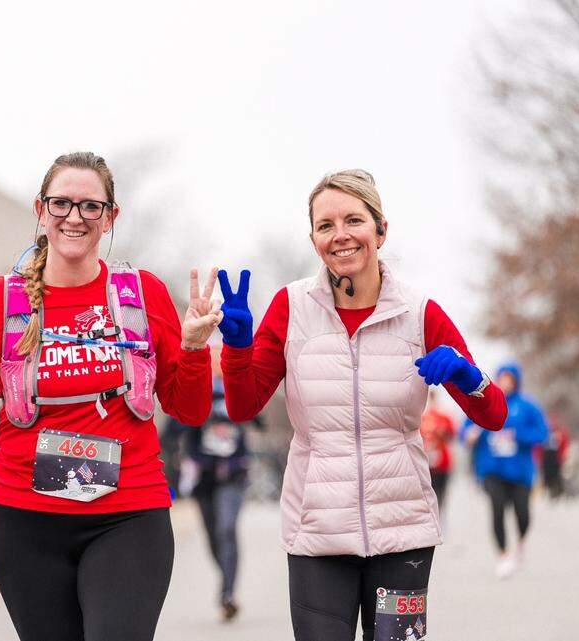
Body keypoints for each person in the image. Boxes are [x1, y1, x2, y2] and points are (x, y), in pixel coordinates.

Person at [0, 151, 218, 641]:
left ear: (111, 217)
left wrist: (196, 350)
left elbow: (190, 408)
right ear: (40, 210)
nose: (75, 217)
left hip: (128, 516)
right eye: (62, 204)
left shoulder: (142, 294)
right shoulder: (0, 301)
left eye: (91, 206)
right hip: (25, 521)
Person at [219, 169, 507, 641]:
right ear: (313, 238)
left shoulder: (420, 312)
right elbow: (243, 406)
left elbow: (493, 415)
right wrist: (237, 349)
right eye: (325, 225)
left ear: (381, 229)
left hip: (403, 534)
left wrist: (466, 374)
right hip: (317, 532)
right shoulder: (291, 307)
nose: (340, 236)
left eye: (353, 220)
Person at [166, 350, 257, 623]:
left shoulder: (236, 391)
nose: (218, 368)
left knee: (226, 529)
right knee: (213, 537)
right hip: (203, 479)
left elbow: (258, 415)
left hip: (232, 476)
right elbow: (169, 433)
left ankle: (228, 593)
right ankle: (226, 580)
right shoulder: (195, 393)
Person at [462, 363, 548, 579]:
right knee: (497, 509)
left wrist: (517, 435)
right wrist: (469, 435)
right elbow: (464, 431)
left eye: (510, 379)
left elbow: (542, 434)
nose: (506, 383)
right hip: (492, 470)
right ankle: (503, 555)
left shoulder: (528, 406)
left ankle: (520, 543)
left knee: (522, 514)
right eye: (502, 378)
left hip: (520, 472)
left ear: (516, 381)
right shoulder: (485, 402)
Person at [419, 390, 456, 513]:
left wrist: (443, 432)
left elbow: (452, 436)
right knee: (426, 497)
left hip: (442, 464)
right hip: (425, 464)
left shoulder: (444, 418)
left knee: (441, 495)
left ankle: (439, 519)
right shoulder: (420, 419)